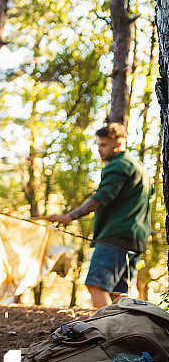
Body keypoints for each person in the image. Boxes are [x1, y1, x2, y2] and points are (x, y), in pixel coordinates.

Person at [45, 121, 152, 308]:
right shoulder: (140, 168)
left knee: (96, 285)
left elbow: (100, 198)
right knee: (120, 294)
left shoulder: (118, 166)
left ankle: (105, 334)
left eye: (104, 145)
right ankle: (123, 334)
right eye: (98, 145)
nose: (100, 150)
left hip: (115, 237)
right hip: (136, 239)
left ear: (118, 145)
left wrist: (68, 217)